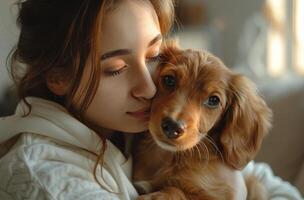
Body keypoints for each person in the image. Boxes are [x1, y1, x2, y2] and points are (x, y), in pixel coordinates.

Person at [0, 0, 302, 199]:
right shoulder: (45, 179)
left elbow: (278, 190)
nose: (149, 88)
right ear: (58, 76)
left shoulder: (125, 126)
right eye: (115, 69)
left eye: (154, 58)